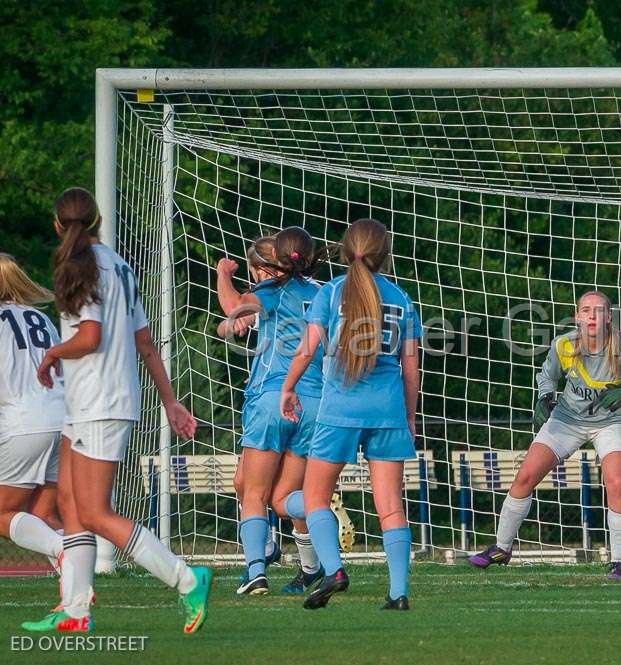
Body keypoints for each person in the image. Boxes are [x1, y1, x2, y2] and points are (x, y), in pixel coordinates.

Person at [22, 187, 211, 634]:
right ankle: (75, 609)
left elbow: (89, 337)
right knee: (69, 503)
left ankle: (186, 579)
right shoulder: (120, 265)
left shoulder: (84, 267)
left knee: (93, 512)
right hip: (90, 401)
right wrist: (170, 401)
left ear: (56, 224)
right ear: (98, 220)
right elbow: (144, 342)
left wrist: (52, 355)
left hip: (100, 402)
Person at [468, 290, 621, 580]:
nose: (592, 315)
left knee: (616, 483)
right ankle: (501, 548)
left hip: (612, 422)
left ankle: (619, 563)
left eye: (599, 310)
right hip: (566, 419)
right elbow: (546, 376)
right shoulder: (564, 344)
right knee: (525, 477)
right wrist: (544, 397)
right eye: (586, 310)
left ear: (609, 317)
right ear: (577, 316)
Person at [280, 217, 421, 611]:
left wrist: (288, 388)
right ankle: (398, 593)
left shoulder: (330, 293)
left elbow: (307, 350)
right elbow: (411, 369)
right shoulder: (402, 299)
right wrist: (409, 417)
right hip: (388, 409)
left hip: (340, 408)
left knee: (314, 496)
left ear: (345, 251)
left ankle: (334, 570)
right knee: (391, 504)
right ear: (385, 255)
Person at [216, 228, 327, 595]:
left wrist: (222, 274)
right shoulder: (321, 292)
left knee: (254, 493)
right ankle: (319, 516)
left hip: (272, 399)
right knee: (280, 497)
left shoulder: (270, 292)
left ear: (263, 268)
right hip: (313, 404)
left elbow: (235, 310)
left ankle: (256, 569)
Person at [0, 254, 65, 571]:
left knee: (2, 514)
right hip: (62, 418)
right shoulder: (41, 319)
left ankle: (64, 550)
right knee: (44, 516)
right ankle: (74, 600)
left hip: (26, 422)